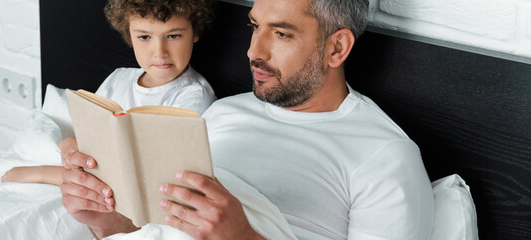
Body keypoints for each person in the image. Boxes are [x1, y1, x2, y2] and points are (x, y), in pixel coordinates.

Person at [59, 0, 435, 239]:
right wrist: (100, 217)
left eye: (281, 33)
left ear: (336, 48)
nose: (254, 51)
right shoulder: (223, 111)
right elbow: (156, 226)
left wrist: (241, 236)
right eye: (255, 27)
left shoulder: (384, 154)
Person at [0, 0, 217, 186]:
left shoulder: (193, 98)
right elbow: (90, 141)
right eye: (144, 37)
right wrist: (69, 144)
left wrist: (45, 173)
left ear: (195, 32)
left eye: (173, 36)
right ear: (129, 36)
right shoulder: (118, 78)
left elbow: (150, 176)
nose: (159, 52)